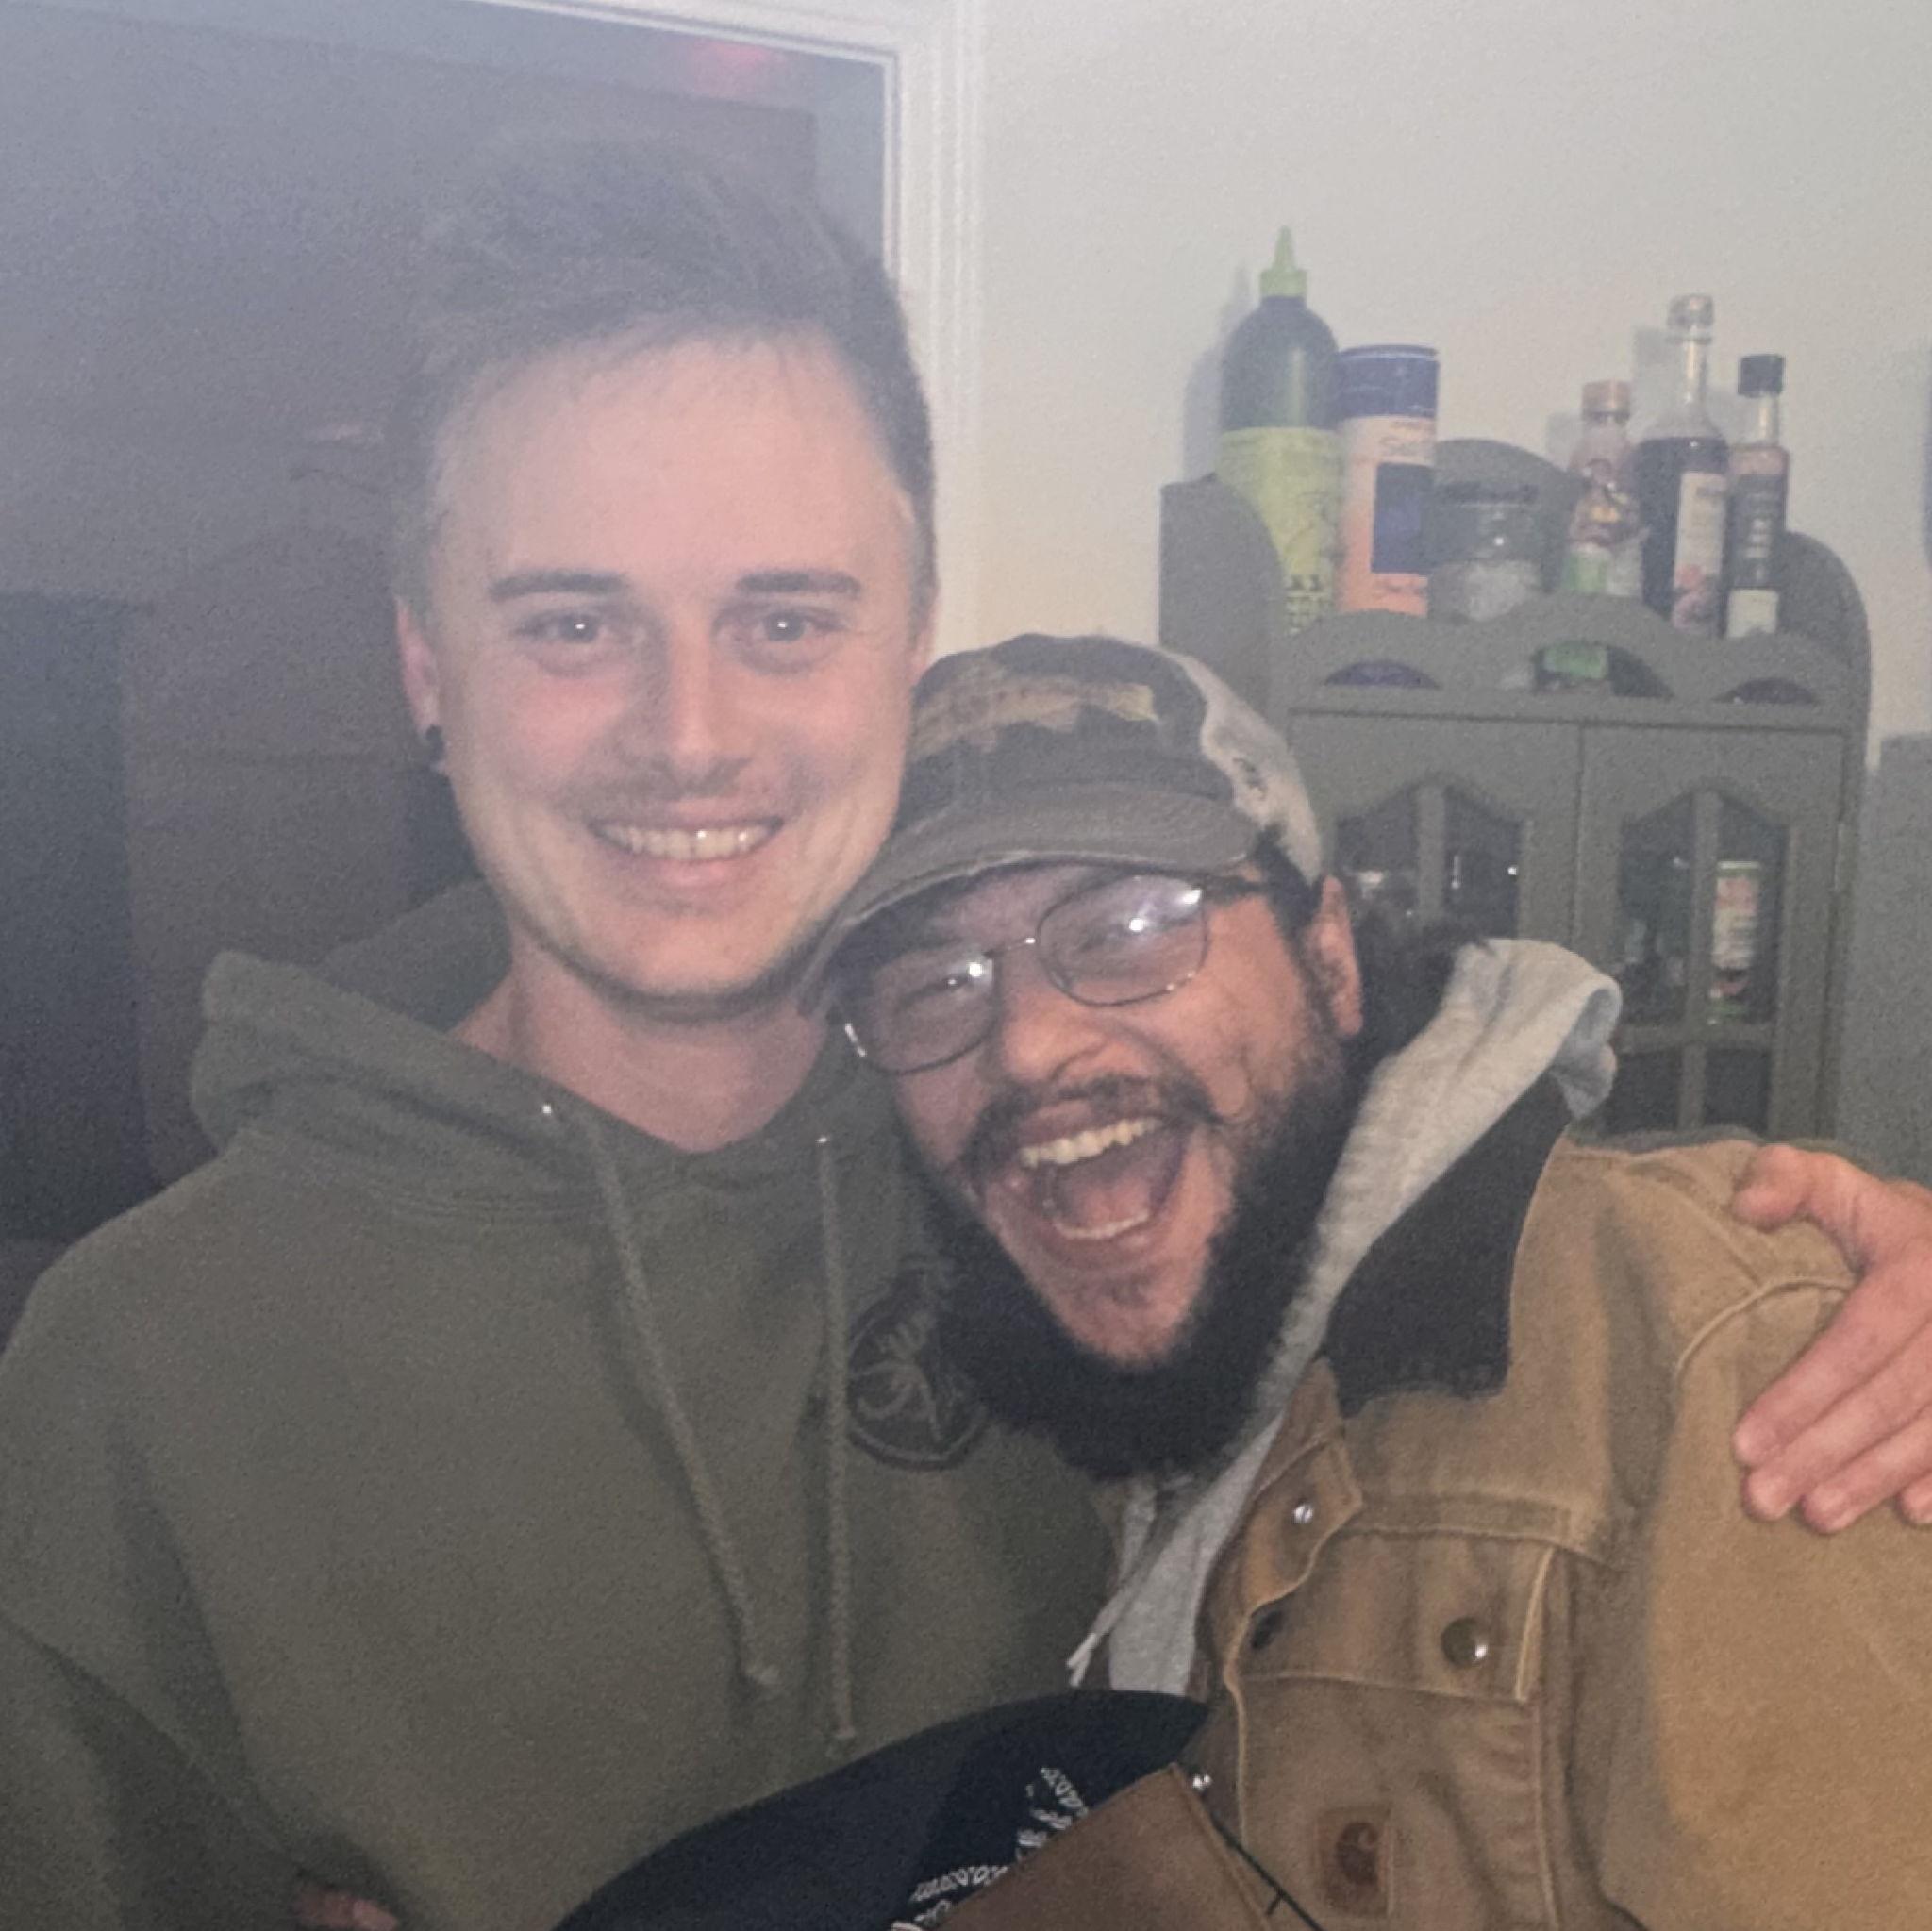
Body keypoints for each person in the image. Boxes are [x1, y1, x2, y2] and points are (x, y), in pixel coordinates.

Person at [0, 138, 1925, 1931]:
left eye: (784, 620)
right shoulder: (140, 1376)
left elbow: (1464, 1234)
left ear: (905, 639)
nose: (688, 733)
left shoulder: (1072, 1197)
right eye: (573, 624)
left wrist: (1816, 1291)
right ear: (429, 664)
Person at [823, 632, 1932, 1928]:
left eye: (1128, 928)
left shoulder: (1729, 1356)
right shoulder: (1040, 1367)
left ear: (1332, 956)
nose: (1025, 1045)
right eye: (933, 985)